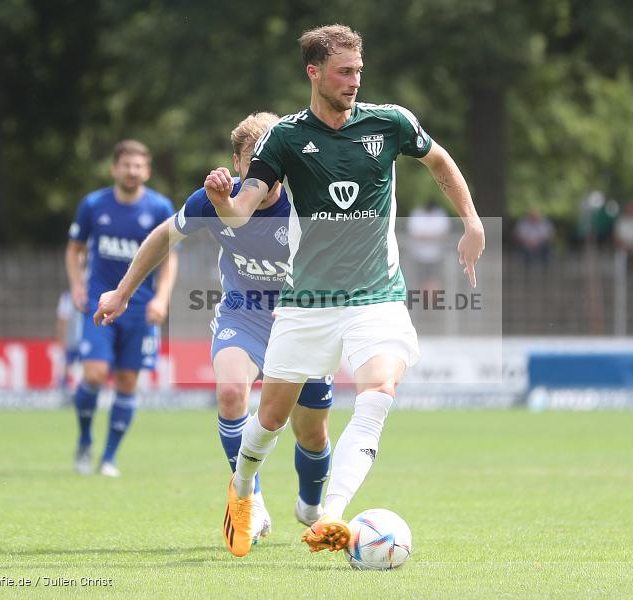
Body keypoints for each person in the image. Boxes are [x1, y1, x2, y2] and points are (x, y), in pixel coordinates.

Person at [199, 24, 485, 557]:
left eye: (359, 71)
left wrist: (470, 220)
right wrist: (221, 201)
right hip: (307, 302)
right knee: (271, 419)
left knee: (378, 392)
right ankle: (241, 489)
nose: (355, 81)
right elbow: (241, 211)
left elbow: (439, 161)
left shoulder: (390, 122)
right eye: (344, 72)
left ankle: (330, 515)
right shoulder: (284, 137)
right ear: (314, 73)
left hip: (377, 296)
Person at [93, 113, 336, 544]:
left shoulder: (308, 201)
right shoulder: (214, 200)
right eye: (253, 160)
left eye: (272, 160)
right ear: (238, 163)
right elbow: (163, 236)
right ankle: (250, 501)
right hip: (243, 316)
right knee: (230, 392)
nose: (264, 170)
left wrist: (308, 303)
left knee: (312, 433)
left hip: (301, 322)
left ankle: (311, 506)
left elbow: (338, 265)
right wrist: (123, 291)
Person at [65, 139, 177, 477]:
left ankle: (109, 458)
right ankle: (85, 440)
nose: (132, 171)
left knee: (127, 381)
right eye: (126, 165)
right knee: (94, 374)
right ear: (115, 169)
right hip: (99, 303)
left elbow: (169, 258)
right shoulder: (93, 205)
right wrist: (77, 285)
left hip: (140, 309)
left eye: (138, 166)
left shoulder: (159, 207)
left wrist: (161, 298)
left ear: (147, 171)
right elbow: (74, 249)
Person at [407, 199, 451, 290]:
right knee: (420, 283)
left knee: (435, 282)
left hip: (436, 256)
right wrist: (432, 236)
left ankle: (434, 298)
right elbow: (415, 235)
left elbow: (443, 234)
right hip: (419, 256)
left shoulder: (439, 214)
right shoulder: (417, 213)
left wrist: (425, 237)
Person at [55, 290, 81, 396]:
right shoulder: (66, 298)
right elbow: (62, 321)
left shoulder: (91, 295)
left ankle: (80, 390)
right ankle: (63, 390)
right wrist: (61, 339)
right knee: (67, 362)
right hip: (72, 339)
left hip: (85, 339)